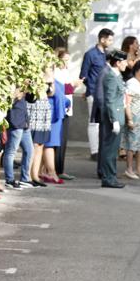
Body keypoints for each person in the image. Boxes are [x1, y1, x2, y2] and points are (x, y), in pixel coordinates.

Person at [97, 49, 128, 188]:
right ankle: (108, 177)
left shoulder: (117, 76)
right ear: (117, 62)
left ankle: (111, 176)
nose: (126, 64)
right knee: (109, 149)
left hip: (118, 114)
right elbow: (109, 100)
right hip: (113, 117)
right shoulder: (111, 76)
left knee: (113, 148)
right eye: (124, 61)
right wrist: (114, 120)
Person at [81, 29, 113, 160]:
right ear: (102, 39)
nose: (111, 42)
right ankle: (94, 151)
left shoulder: (107, 54)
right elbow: (83, 75)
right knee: (93, 122)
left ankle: (102, 149)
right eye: (110, 40)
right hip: (94, 93)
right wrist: (91, 89)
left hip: (105, 94)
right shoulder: (90, 54)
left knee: (103, 122)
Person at [53, 47, 81, 181]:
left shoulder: (65, 71)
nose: (66, 63)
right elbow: (61, 88)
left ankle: (60, 168)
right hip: (60, 107)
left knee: (63, 140)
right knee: (57, 140)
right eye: (64, 60)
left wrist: (74, 85)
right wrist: (73, 85)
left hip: (67, 107)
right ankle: (55, 169)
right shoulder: (56, 71)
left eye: (68, 60)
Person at [2, 89, 33, 189]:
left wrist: (31, 89)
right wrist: (17, 94)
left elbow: (31, 99)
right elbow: (6, 101)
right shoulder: (10, 81)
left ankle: (25, 179)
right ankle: (9, 180)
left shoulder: (23, 84)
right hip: (14, 121)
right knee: (11, 152)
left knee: (29, 150)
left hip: (24, 122)